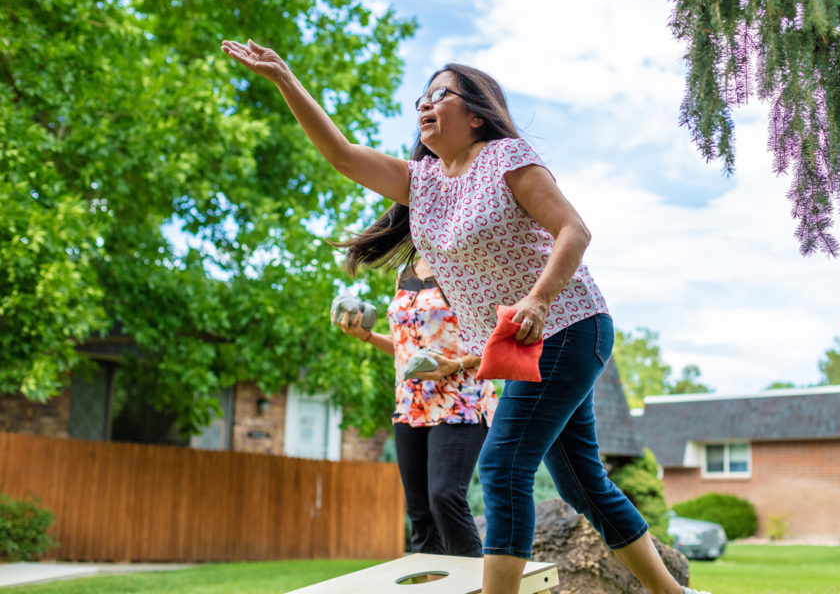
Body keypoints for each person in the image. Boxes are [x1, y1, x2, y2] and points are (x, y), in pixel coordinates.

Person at [222, 38, 709, 594]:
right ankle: (672, 593)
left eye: (439, 95)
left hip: (570, 325)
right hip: (518, 346)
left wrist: (539, 299)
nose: (425, 105)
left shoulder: (507, 158)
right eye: (420, 100)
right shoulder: (421, 183)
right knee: (582, 484)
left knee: (502, 467)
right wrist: (285, 78)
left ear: (476, 113)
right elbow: (340, 154)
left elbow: (575, 230)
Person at [334, 255, 496, 557]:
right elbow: (404, 347)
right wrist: (366, 336)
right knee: (420, 514)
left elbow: (495, 340)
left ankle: (479, 587)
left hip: (459, 400)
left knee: (445, 496)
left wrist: (456, 365)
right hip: (410, 405)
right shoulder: (404, 272)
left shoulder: (466, 263)